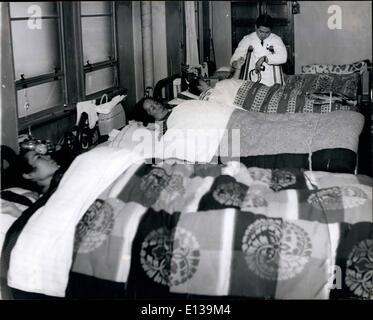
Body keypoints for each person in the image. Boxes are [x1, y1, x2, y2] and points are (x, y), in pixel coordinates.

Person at [230, 14, 287, 86]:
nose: (263, 35)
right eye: (261, 31)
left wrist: (264, 58)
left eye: (267, 32)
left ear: (271, 30)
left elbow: (283, 57)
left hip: (272, 82)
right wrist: (236, 63)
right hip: (252, 80)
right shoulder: (247, 39)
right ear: (255, 27)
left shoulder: (276, 39)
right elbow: (235, 58)